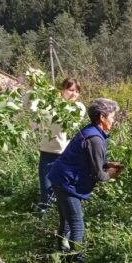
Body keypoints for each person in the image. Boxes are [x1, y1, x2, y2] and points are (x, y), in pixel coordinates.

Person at [46, 98, 122, 260]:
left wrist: (108, 163)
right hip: (66, 182)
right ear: (102, 117)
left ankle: (62, 252)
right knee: (77, 223)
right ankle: (76, 260)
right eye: (112, 116)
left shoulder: (90, 131)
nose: (114, 120)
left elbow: (90, 160)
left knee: (66, 219)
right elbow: (99, 175)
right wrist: (112, 173)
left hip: (59, 177)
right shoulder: (94, 139)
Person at [35, 77, 85, 214]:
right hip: (48, 154)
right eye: (71, 90)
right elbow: (37, 121)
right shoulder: (48, 105)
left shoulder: (79, 108)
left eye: (77, 91)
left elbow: (66, 119)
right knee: (46, 190)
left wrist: (55, 102)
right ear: (62, 90)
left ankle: (60, 222)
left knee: (63, 191)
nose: (74, 94)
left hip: (66, 156)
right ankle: (41, 222)